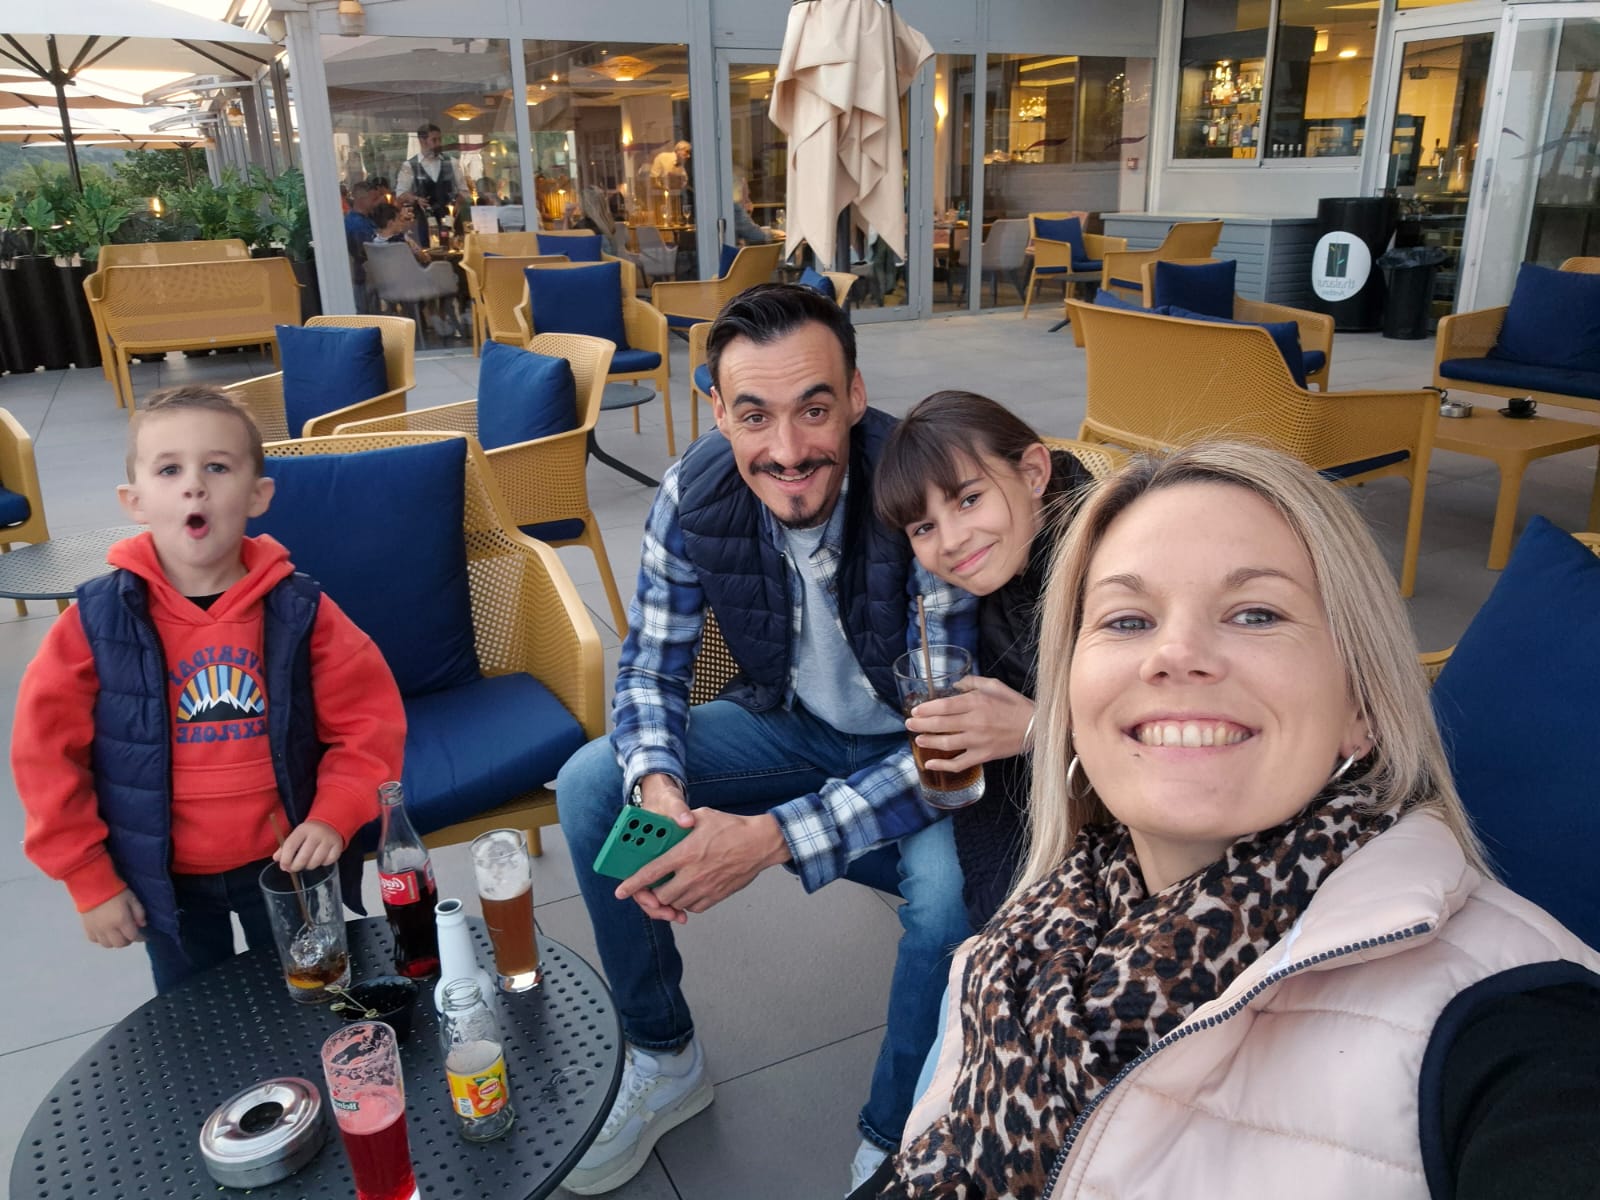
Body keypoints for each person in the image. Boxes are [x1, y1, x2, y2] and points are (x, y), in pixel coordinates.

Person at [871, 442, 1600, 1199]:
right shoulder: (1016, 947)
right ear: (1072, 702)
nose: (1176, 653)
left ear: (1360, 707)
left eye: (1256, 614)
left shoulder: (1504, 1024)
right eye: (1127, 620)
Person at [555, 283, 977, 1195]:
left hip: (925, 753)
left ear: (855, 395)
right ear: (718, 411)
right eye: (755, 416)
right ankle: (664, 1055)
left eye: (814, 410)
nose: (787, 451)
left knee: (947, 900)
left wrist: (769, 839)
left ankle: (895, 1138)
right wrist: (660, 787)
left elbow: (950, 752)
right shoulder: (693, 491)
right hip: (795, 727)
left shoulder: (924, 491)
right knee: (594, 783)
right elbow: (649, 671)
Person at [11, 387, 407, 996]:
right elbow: (44, 757)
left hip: (288, 863)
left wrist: (335, 813)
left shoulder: (302, 611)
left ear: (258, 495)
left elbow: (368, 724)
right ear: (135, 500)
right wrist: (88, 877)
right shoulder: (94, 622)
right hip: (164, 880)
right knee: (194, 1014)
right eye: (170, 470)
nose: (194, 486)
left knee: (316, 995)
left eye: (217, 467)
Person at [872, 393, 1093, 929]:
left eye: (969, 499)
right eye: (923, 528)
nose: (951, 541)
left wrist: (1041, 730)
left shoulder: (1110, 572)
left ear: (1033, 473)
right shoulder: (991, 589)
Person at [396, 122, 472, 246]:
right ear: (422, 141)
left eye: (440, 140)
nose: (439, 144)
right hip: (423, 223)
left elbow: (464, 191)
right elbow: (401, 194)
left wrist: (457, 205)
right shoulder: (409, 166)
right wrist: (416, 199)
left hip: (450, 220)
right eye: (434, 140)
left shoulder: (452, 163)